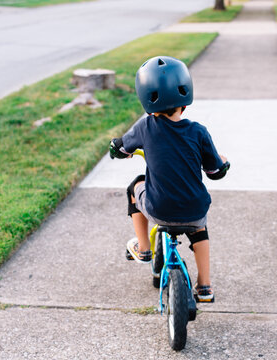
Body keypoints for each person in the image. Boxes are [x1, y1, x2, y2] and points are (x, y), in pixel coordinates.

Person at [109, 56, 229, 302]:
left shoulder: (146, 127)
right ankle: (205, 286)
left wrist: (116, 148)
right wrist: (223, 162)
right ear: (185, 102)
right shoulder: (199, 132)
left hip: (159, 209)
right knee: (199, 229)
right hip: (194, 210)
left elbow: (121, 149)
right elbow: (215, 171)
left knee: (135, 186)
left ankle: (143, 249)